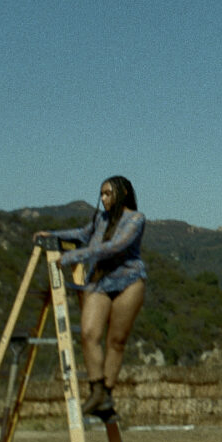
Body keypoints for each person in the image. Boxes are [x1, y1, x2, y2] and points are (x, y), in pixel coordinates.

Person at [33, 175, 146, 417]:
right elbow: (82, 234)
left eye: (108, 194)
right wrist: (52, 235)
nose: (104, 198)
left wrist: (74, 257)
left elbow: (115, 246)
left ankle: (107, 394)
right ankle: (96, 390)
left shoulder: (135, 219)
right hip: (99, 281)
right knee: (88, 334)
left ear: (123, 193)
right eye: (102, 194)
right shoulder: (100, 218)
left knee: (116, 340)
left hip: (128, 282)